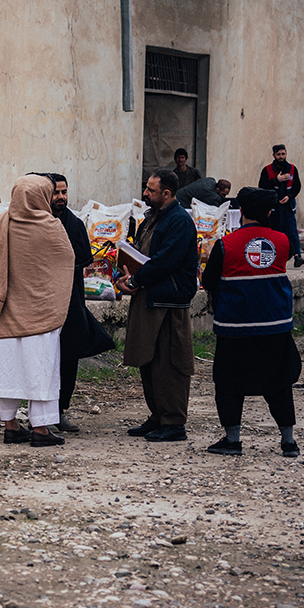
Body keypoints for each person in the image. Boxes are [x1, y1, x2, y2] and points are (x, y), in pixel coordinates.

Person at [199, 188, 302, 458]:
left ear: (240, 212)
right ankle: (288, 442)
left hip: (236, 329)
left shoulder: (225, 244)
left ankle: (232, 440)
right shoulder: (282, 242)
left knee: (229, 383)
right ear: (269, 212)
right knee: (279, 383)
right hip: (276, 326)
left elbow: (208, 282)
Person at [0, 174, 75, 447]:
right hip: (42, 311)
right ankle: (41, 429)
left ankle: (10, 425)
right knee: (41, 368)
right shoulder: (50, 225)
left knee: (9, 366)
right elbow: (67, 260)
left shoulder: (4, 221)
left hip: (8, 309)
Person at [116, 168, 199, 442]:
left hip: (169, 301)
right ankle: (158, 416)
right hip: (149, 296)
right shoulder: (151, 218)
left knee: (169, 361)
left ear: (166, 193)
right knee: (148, 360)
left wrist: (138, 279)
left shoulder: (179, 221)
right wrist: (126, 274)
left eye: (150, 190)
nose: (145, 194)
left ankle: (174, 421)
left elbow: (166, 260)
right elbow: (141, 252)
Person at [48, 173, 115, 433]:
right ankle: (40, 412)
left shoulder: (74, 224)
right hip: (41, 304)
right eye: (56, 192)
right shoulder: (35, 222)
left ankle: (59, 410)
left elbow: (83, 259)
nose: (61, 197)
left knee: (68, 357)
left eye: (64, 192)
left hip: (70, 302)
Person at [258, 144, 304, 267]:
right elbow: (261, 187)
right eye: (278, 154)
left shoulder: (292, 169)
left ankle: (297, 256)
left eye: (283, 154)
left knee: (292, 231)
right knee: (274, 233)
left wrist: (289, 197)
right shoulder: (267, 170)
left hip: (288, 207)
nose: (281, 157)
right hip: (273, 209)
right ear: (274, 155)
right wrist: (276, 181)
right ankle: (274, 258)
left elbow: (297, 186)